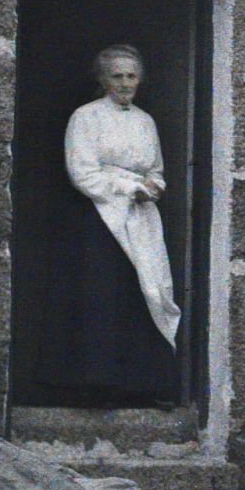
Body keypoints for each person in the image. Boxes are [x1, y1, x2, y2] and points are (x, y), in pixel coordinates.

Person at [63, 45, 181, 350]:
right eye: (117, 76)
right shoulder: (86, 117)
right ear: (104, 80)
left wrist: (153, 187)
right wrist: (128, 188)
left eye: (131, 76)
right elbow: (82, 173)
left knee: (144, 290)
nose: (125, 83)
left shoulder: (145, 121)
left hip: (141, 217)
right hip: (100, 217)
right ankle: (99, 384)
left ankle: (141, 384)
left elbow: (155, 170)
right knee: (103, 295)